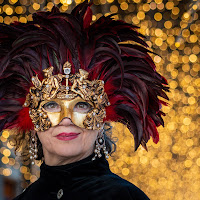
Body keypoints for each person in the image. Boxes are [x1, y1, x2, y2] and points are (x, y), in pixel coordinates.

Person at [0, 1, 169, 200]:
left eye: (82, 105)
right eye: (51, 104)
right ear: (30, 116)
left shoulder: (124, 196)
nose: (66, 119)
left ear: (103, 117)